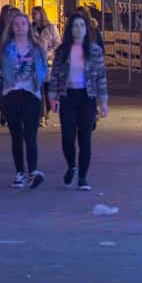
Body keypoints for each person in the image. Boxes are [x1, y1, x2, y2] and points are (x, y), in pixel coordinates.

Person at [48, 13, 109, 191]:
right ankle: (71, 166)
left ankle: (82, 177)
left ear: (87, 29)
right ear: (70, 29)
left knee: (85, 138)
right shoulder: (62, 50)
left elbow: (101, 77)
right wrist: (53, 97)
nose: (79, 30)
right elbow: (55, 75)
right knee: (67, 136)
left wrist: (103, 101)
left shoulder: (94, 50)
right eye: (75, 26)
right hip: (68, 96)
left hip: (86, 97)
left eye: (82, 26)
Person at [0, 9, 49, 190]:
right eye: (16, 24)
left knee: (30, 134)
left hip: (31, 93)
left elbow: (44, 66)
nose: (20, 27)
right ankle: (19, 173)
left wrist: (39, 79)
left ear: (28, 26)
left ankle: (33, 171)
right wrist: (1, 77)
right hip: (12, 93)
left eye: (23, 23)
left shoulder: (36, 47)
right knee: (16, 135)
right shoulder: (4, 47)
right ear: (11, 27)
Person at [31, 7, 61, 127]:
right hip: (36, 63)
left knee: (49, 91)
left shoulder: (51, 28)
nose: (33, 16)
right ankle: (41, 116)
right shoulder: (31, 29)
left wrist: (50, 53)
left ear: (42, 15)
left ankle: (47, 112)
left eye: (35, 14)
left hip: (49, 64)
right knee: (38, 91)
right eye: (32, 14)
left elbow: (58, 44)